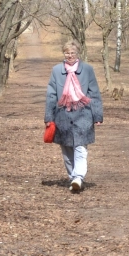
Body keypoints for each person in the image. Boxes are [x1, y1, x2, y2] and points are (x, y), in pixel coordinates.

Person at [45, 40, 104, 193]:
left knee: (80, 147)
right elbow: (51, 95)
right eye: (67, 53)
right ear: (63, 54)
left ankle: (78, 177)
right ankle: (73, 179)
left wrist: (97, 115)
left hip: (83, 113)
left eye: (72, 53)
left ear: (78, 54)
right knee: (66, 150)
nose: (70, 56)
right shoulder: (56, 70)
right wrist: (48, 117)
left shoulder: (88, 70)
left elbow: (94, 93)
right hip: (62, 114)